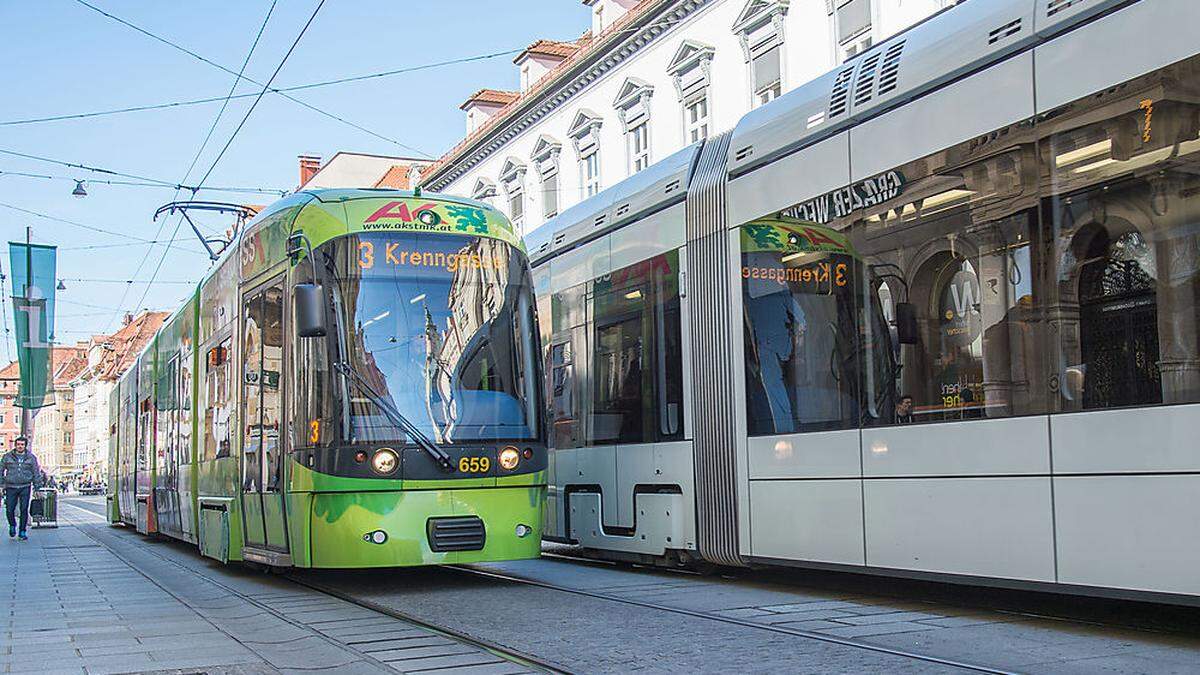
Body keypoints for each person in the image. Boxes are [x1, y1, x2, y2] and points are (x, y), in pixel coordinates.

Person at [2, 436, 42, 540]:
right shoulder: (7, 456)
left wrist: (37, 488)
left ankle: (22, 531)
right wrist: (1, 485)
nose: (20, 446)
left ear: (25, 446)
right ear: (15, 445)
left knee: (24, 509)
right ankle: (12, 524)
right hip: (11, 486)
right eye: (18, 444)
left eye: (22, 444)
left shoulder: (31, 458)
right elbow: (0, 470)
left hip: (25, 486)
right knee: (9, 509)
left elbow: (36, 472)